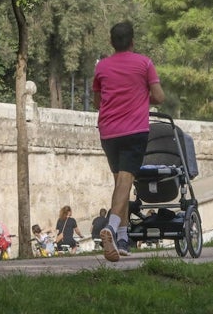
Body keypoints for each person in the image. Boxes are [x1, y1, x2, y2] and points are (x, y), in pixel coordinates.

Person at [91, 21, 165, 262]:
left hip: (108, 131)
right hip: (134, 130)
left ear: (112, 43)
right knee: (126, 180)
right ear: (133, 41)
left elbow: (97, 102)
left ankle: (122, 240)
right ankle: (111, 227)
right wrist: (140, 95)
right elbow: (159, 97)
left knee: (119, 183)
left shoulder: (101, 67)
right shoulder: (144, 64)